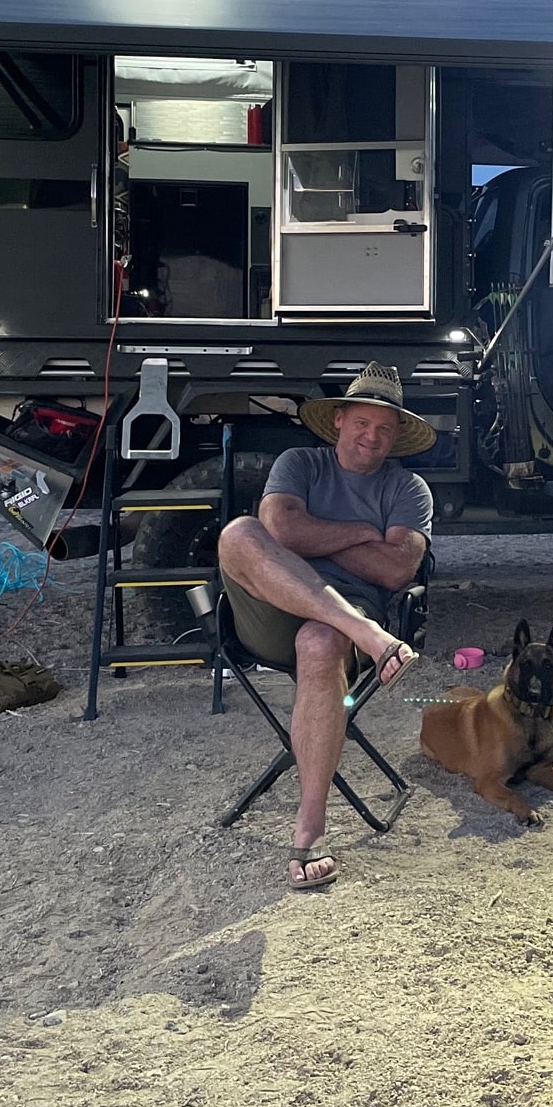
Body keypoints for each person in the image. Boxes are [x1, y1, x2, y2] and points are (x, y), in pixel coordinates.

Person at [214, 362, 435, 890]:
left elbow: (396, 568)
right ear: (338, 420)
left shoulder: (409, 489)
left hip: (342, 630)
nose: (372, 437)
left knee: (319, 639)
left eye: (384, 429)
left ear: (397, 435)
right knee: (240, 531)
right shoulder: (300, 464)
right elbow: (279, 529)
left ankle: (310, 826)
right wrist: (363, 532)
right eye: (362, 423)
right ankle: (367, 635)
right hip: (277, 612)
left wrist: (317, 537)